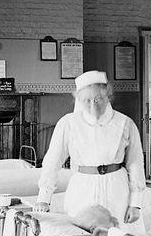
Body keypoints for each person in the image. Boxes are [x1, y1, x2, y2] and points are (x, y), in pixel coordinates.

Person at [35, 70, 145, 223]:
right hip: (82, 189)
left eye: (98, 99)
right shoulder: (68, 123)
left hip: (116, 190)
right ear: (78, 100)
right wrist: (44, 198)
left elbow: (135, 163)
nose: (93, 106)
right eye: (87, 100)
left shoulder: (125, 123)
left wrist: (136, 204)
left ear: (108, 97)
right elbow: (52, 161)